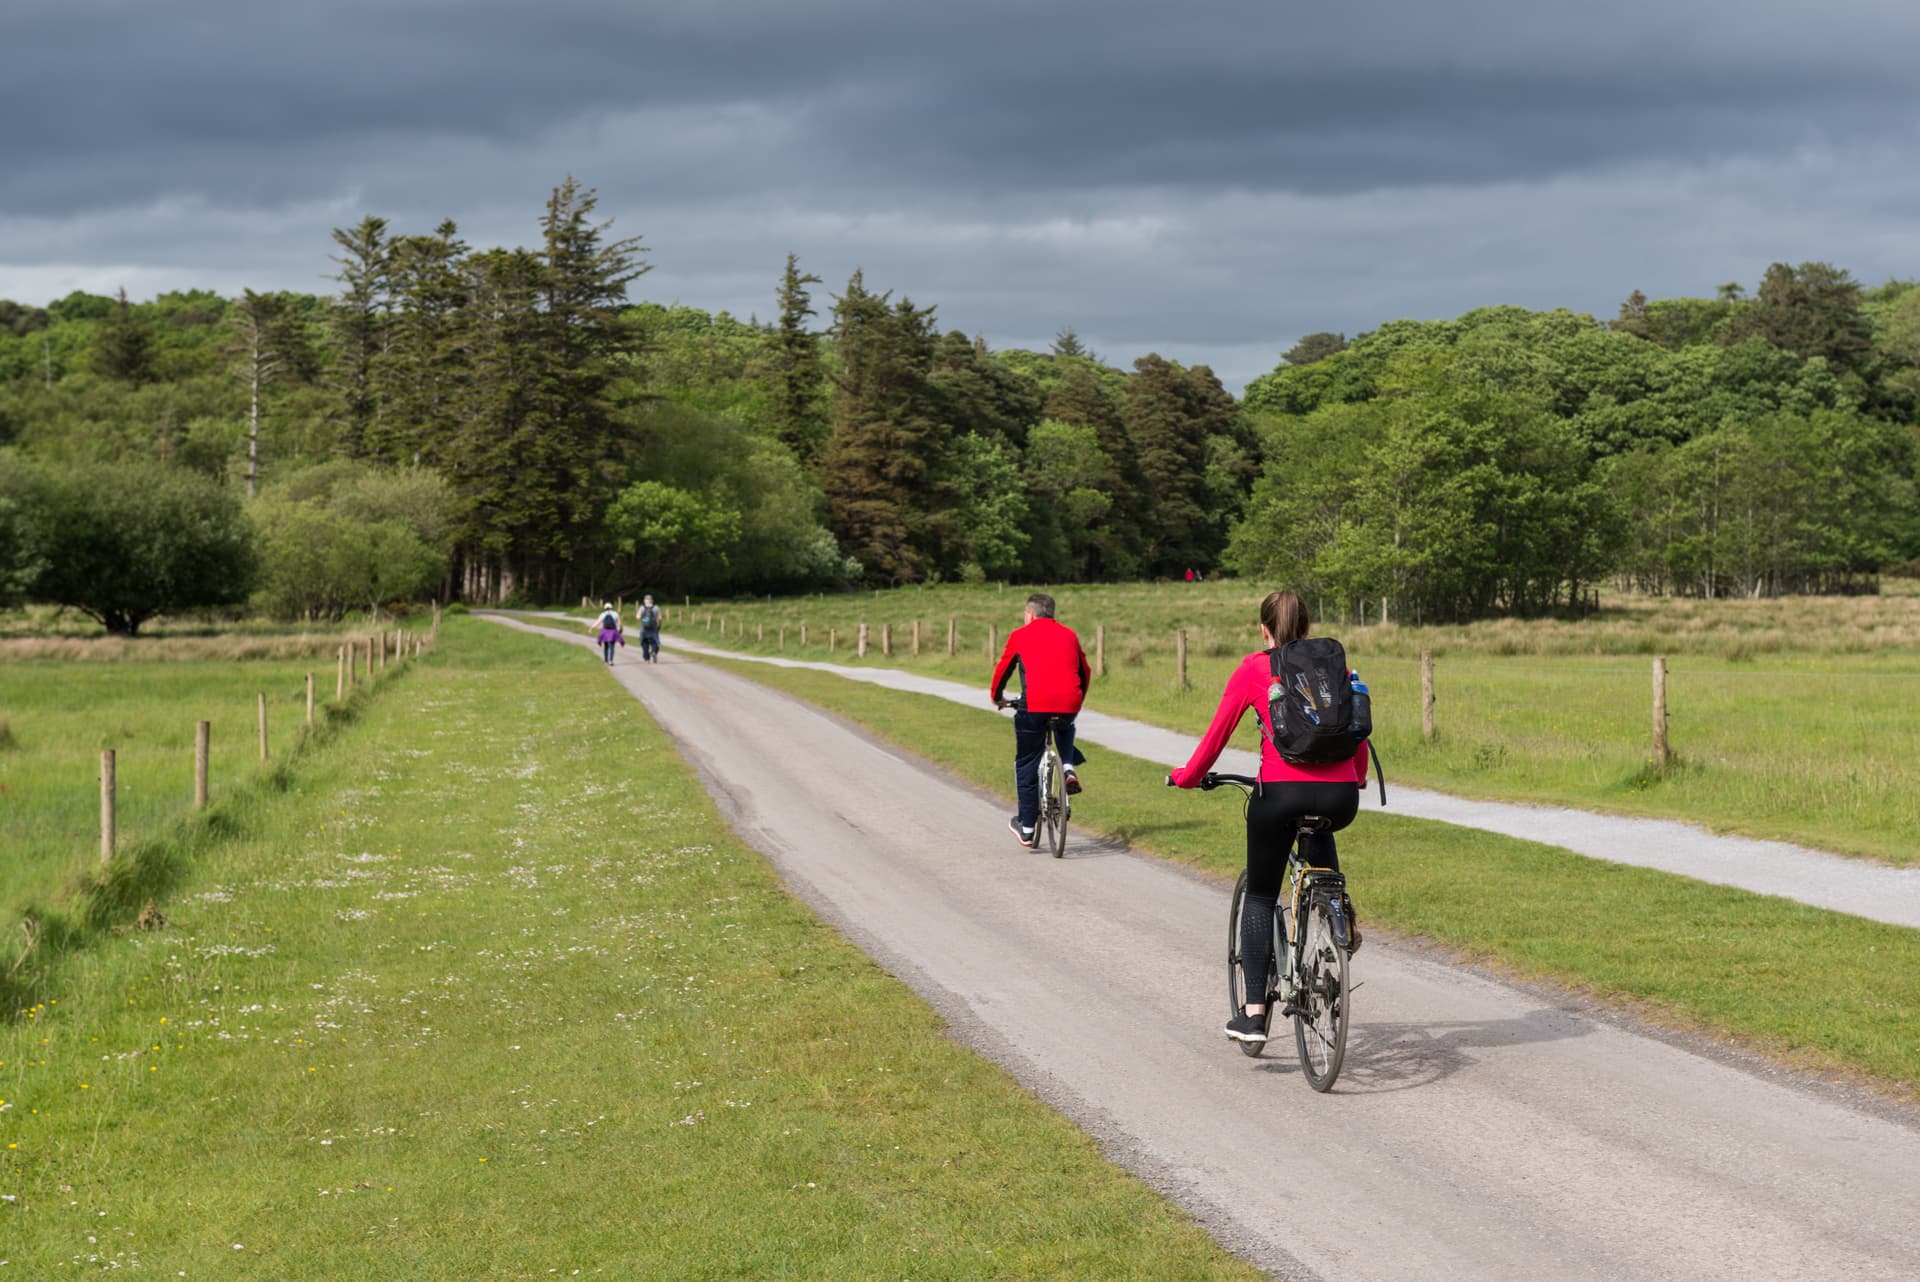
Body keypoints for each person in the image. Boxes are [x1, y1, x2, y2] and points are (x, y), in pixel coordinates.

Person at [1167, 590, 1368, 1043]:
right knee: (1320, 848)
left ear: (1264, 630)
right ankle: (1334, 907)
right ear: (1307, 628)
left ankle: (1254, 1013)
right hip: (1339, 800)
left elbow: (1216, 736)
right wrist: (1354, 780)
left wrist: (1187, 777)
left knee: (1259, 895)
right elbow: (1354, 731)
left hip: (1279, 794)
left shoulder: (1255, 668)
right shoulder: (1336, 668)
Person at [988, 593, 1091, 847]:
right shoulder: (1070, 635)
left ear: (1030, 615)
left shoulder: (1020, 635)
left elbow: (1003, 669)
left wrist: (997, 697)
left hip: (1033, 706)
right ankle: (1067, 766)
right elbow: (1084, 671)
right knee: (1065, 725)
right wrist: (1077, 698)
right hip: (1069, 702)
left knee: (1026, 761)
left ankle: (1026, 826)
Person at [635, 594, 665, 663]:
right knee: (655, 642)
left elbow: (638, 617)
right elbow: (660, 618)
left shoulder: (642, 608)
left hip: (644, 627)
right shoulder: (656, 608)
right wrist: (659, 625)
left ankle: (646, 658)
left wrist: (644, 618)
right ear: (652, 601)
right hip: (653, 627)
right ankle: (654, 651)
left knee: (644, 642)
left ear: (644, 601)